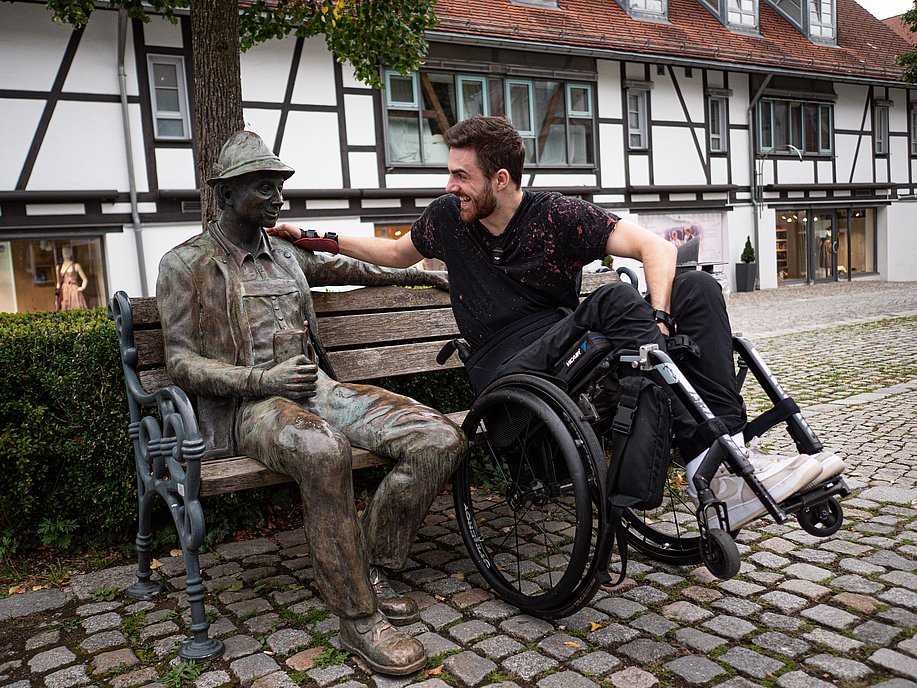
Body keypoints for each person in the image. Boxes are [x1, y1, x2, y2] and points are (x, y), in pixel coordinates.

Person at [272, 115, 845, 530]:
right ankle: (716, 472)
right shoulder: (448, 217)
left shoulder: (556, 215)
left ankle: (727, 457)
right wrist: (318, 237)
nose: (449, 186)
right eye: (449, 174)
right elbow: (397, 253)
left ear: (500, 179)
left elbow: (656, 247)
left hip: (569, 349)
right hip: (506, 369)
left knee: (697, 288)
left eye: (461, 176)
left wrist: (662, 319)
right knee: (615, 300)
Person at [157, 131, 466, 676]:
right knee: (324, 451)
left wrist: (422, 276)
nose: (278, 197)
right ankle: (358, 618)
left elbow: (356, 270)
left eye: (279, 186)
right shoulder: (186, 265)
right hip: (252, 407)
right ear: (225, 194)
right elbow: (180, 363)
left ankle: (369, 564)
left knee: (440, 438)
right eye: (264, 187)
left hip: (320, 391)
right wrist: (261, 379)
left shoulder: (287, 255)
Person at [57, 245, 89, 310]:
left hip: (74, 290)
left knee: (76, 306)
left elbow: (85, 279)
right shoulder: (58, 267)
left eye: (67, 251)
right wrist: (57, 296)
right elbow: (58, 282)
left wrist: (82, 287)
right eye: (64, 251)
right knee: (64, 308)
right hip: (64, 291)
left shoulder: (76, 266)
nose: (66, 253)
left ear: (71, 252)